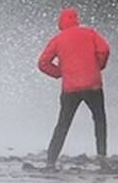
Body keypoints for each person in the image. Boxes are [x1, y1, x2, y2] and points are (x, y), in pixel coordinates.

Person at [37, 9, 110, 170]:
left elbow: (42, 63)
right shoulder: (90, 33)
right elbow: (104, 50)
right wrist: (98, 66)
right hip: (93, 85)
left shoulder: (58, 39)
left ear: (60, 22)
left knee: (63, 123)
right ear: (76, 20)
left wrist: (59, 73)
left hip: (70, 88)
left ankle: (51, 160)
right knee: (99, 120)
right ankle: (102, 157)